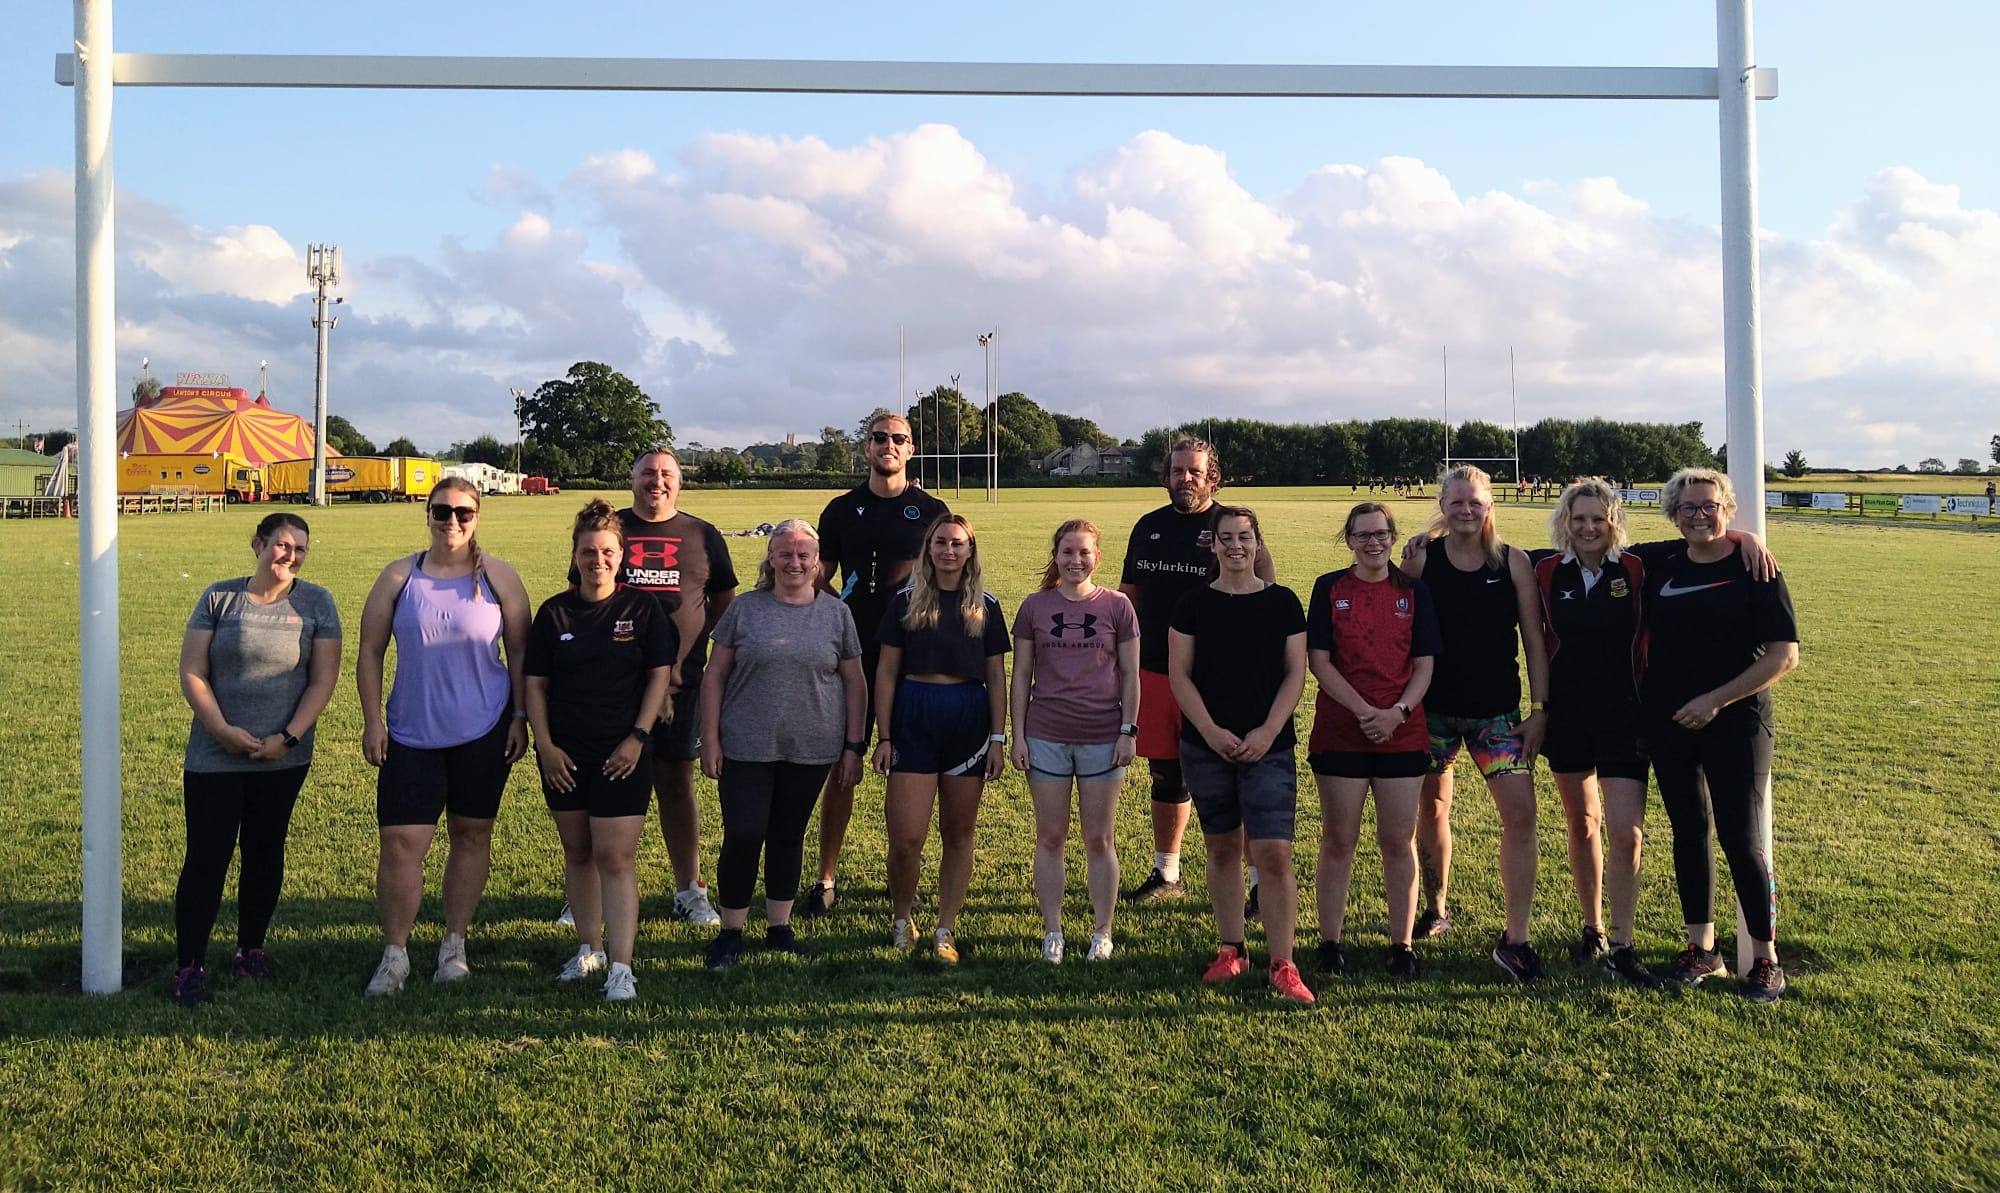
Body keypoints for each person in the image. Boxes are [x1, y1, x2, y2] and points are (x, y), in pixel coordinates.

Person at [356, 477, 531, 995]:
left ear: (477, 517)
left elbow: (521, 653)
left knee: (471, 834)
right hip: (411, 732)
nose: (451, 522)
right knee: (401, 843)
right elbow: (370, 651)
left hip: (485, 729)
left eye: (463, 513)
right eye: (441, 512)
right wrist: (372, 720)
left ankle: (454, 945)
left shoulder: (500, 578)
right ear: (426, 514)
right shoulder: (398, 576)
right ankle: (395, 955)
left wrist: (520, 716)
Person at [550, 448, 738, 930]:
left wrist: (686, 654)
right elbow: (581, 596)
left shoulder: (702, 535)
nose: (658, 481)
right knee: (595, 789)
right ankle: (584, 894)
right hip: (609, 691)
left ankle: (688, 889)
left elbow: (721, 604)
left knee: (676, 785)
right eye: (648, 473)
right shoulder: (612, 531)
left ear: (680, 482)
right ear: (631, 478)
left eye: (667, 474)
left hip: (679, 688)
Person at [1638, 468, 1799, 1000]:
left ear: (1727, 508)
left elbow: (1784, 656)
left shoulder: (1757, 567)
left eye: (1709, 506)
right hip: (1670, 720)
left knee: (1741, 837)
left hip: (1738, 720)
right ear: (1673, 515)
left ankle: (1766, 958)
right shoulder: (1661, 561)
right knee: (1688, 830)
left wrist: (1714, 700)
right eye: (1687, 508)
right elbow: (1590, 541)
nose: (1699, 515)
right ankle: (1703, 949)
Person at [169, 512, 341, 1005]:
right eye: (282, 545)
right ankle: (190, 964)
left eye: (300, 549)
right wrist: (221, 731)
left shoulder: (317, 603)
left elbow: (322, 679)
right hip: (215, 755)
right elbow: (193, 671)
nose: (290, 556)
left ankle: (251, 951)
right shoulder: (219, 597)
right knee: (207, 855)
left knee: (264, 851)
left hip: (282, 757)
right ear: (258, 545)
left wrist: (287, 737)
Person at [1400, 464, 1552, 982]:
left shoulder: (1513, 562)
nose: (1466, 510)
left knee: (1521, 816)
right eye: (1456, 502)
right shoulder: (1423, 560)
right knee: (1433, 807)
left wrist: (1539, 711)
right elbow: (1404, 630)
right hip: (1432, 711)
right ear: (1443, 506)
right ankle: (1435, 907)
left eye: (1476, 502)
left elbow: (1534, 639)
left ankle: (1517, 938)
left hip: (1498, 717)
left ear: (1491, 507)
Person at [525, 500, 676, 1002]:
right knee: (579, 852)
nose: (599, 560)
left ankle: (621, 966)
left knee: (615, 857)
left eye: (608, 551)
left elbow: (659, 677)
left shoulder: (641, 608)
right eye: (589, 551)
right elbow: (536, 687)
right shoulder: (554, 612)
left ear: (622, 554)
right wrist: (544, 747)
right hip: (565, 757)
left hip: (623, 754)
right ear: (576, 554)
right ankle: (588, 949)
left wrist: (638, 737)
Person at [701, 520, 867, 969]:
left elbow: (854, 680)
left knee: (787, 834)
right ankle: (731, 932)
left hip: (812, 745)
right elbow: (714, 675)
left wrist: (853, 746)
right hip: (744, 742)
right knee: (743, 834)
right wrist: (710, 738)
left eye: (804, 555)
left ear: (817, 563)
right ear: (770, 559)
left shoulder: (836, 614)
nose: (795, 562)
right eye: (785, 554)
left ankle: (779, 927)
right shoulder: (745, 609)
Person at [1120, 434, 1273, 915]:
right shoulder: (1148, 527)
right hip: (1158, 672)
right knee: (1166, 773)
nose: (1185, 478)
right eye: (1177, 471)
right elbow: (1128, 598)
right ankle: (1167, 872)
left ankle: (1255, 884)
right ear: (1165, 475)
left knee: (1235, 775)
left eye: (1195, 471)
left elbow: (1265, 595)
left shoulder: (1234, 527)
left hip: (1220, 677)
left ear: (1212, 477)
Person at [804, 412, 950, 916]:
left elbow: (946, 576)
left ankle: (904, 877)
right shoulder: (842, 509)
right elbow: (820, 576)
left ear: (911, 450)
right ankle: (825, 878)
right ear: (866, 447)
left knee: (910, 772)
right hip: (852, 654)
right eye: (879, 437)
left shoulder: (931, 509)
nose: (888, 445)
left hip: (911, 657)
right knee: (842, 768)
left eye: (898, 439)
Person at [1168, 505, 1313, 1006]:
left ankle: (1283, 961)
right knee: (1223, 848)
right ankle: (1232, 948)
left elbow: (1296, 673)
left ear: (1257, 543)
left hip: (1270, 747)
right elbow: (1180, 675)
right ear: (1214, 545)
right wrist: (1210, 731)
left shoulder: (1283, 603)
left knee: (1274, 853)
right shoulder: (1192, 604)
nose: (1236, 546)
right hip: (1207, 745)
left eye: (1245, 537)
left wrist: (1268, 731)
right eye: (1226, 537)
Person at [1531, 480, 1660, 986]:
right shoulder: (1544, 569)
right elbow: (1476, 541)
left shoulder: (1636, 568)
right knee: (1583, 822)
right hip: (1566, 717)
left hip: (1625, 714)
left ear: (1613, 523)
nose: (1588, 528)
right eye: (1579, 519)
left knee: (1626, 832)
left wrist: (1748, 539)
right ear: (1565, 521)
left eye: (1598, 519)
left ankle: (1624, 946)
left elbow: (1711, 539)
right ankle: (1594, 927)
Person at [1306, 503, 1440, 984]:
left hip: (1402, 732)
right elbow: (1319, 661)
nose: (1373, 543)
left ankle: (1402, 945)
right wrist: (1365, 712)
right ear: (1349, 539)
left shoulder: (1414, 592)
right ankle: (1329, 942)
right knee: (1338, 840)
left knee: (1396, 840)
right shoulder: (1330, 587)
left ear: (1391, 536)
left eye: (1381, 534)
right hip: (1343, 730)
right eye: (1362, 535)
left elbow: (1424, 665)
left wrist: (1396, 713)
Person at [873, 514, 1010, 962]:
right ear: (928, 549)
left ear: (970, 551)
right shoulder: (905, 602)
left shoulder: (985, 606)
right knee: (907, 837)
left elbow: (995, 675)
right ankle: (901, 918)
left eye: (958, 543)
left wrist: (997, 738)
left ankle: (945, 928)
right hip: (914, 714)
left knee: (958, 834)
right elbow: (887, 672)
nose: (948, 551)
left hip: (967, 719)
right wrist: (885, 736)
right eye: (940, 543)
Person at [1010, 519, 1139, 964]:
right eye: (1068, 552)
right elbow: (1020, 676)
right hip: (1046, 736)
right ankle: (1053, 931)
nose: (1076, 560)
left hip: (1103, 736)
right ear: (1056, 556)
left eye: (1084, 553)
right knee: (1050, 836)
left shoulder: (1118, 607)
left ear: (1097, 557)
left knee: (1099, 837)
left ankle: (1103, 931)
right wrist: (1018, 736)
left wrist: (1128, 731)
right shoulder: (1033, 607)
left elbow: (1130, 675)